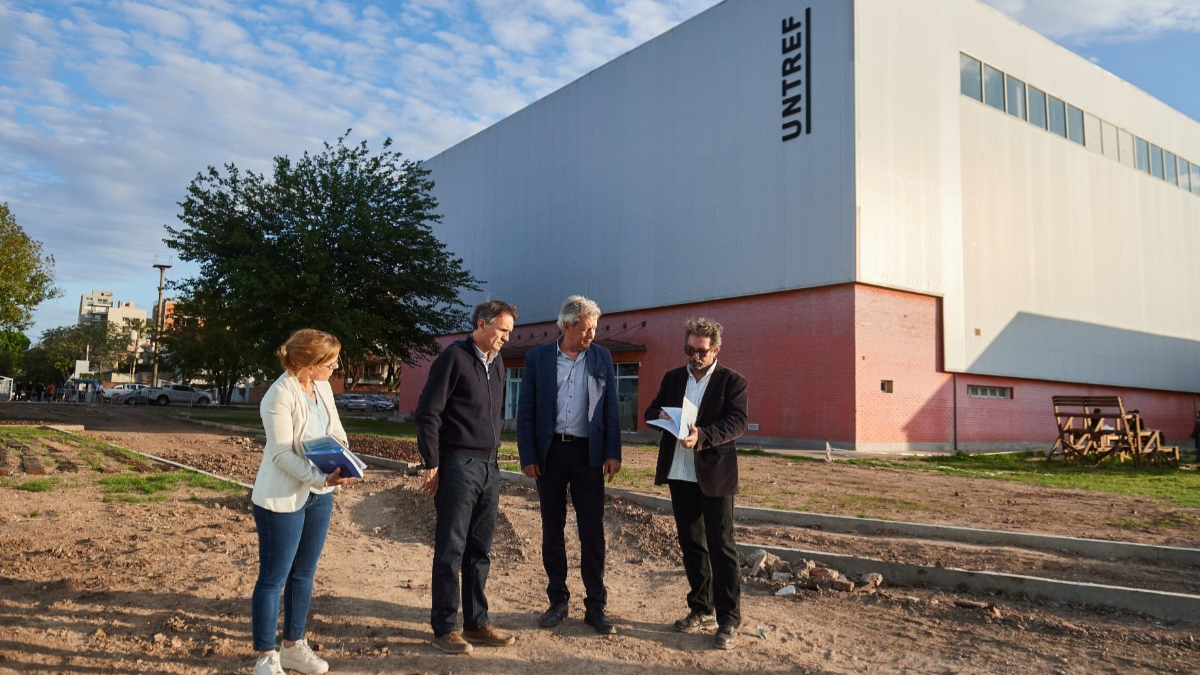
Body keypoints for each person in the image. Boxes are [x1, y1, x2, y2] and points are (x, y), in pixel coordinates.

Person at [250, 329, 357, 675]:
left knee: (304, 575)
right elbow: (281, 454)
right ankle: (266, 659)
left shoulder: (323, 387)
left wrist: (340, 455)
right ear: (309, 365)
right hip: (282, 497)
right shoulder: (278, 396)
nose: (336, 367)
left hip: (320, 495)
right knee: (274, 578)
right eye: (330, 362)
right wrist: (321, 476)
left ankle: (294, 647)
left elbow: (336, 429)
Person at [416, 299, 519, 655]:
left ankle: (476, 623)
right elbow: (428, 413)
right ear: (481, 324)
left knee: (480, 550)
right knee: (451, 549)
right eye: (503, 330)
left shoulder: (498, 362)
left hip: (490, 466)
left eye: (509, 331)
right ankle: (445, 627)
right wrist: (432, 462)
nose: (507, 337)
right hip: (458, 465)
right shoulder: (453, 358)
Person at [517, 296, 621, 635]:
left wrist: (612, 452)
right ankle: (558, 600)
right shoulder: (538, 358)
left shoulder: (601, 357)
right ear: (566, 326)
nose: (592, 334)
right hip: (550, 455)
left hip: (588, 456)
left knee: (592, 531)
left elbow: (610, 408)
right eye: (586, 328)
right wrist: (528, 456)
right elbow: (526, 411)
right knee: (553, 528)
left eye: (595, 328)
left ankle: (596, 605)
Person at [644, 317, 748, 651]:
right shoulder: (674, 378)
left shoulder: (733, 381)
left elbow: (737, 422)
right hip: (679, 473)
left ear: (715, 349)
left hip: (715, 475)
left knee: (722, 547)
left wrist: (702, 436)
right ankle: (701, 608)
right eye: (688, 349)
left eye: (700, 350)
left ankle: (728, 619)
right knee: (691, 544)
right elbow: (652, 408)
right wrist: (661, 417)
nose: (694, 356)